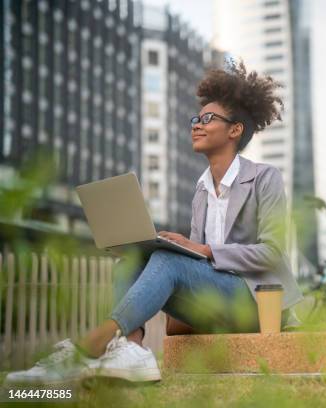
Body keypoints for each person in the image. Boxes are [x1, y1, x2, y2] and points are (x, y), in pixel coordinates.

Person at [4, 60, 303, 384]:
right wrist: (181, 247)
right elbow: (195, 263)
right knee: (133, 255)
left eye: (207, 119)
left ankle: (93, 343)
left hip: (255, 301)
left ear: (234, 130)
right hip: (211, 301)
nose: (196, 125)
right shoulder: (201, 191)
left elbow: (271, 251)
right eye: (196, 119)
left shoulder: (264, 178)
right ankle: (132, 349)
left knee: (168, 260)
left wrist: (202, 249)